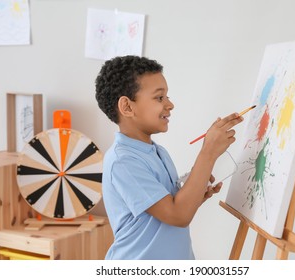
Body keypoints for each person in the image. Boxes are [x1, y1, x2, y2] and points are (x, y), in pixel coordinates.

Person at [95, 55, 243, 260]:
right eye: (159, 97)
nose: (170, 104)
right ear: (127, 107)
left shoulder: (157, 152)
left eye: (167, 96)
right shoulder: (123, 161)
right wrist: (208, 153)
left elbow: (168, 213)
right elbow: (177, 215)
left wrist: (195, 193)